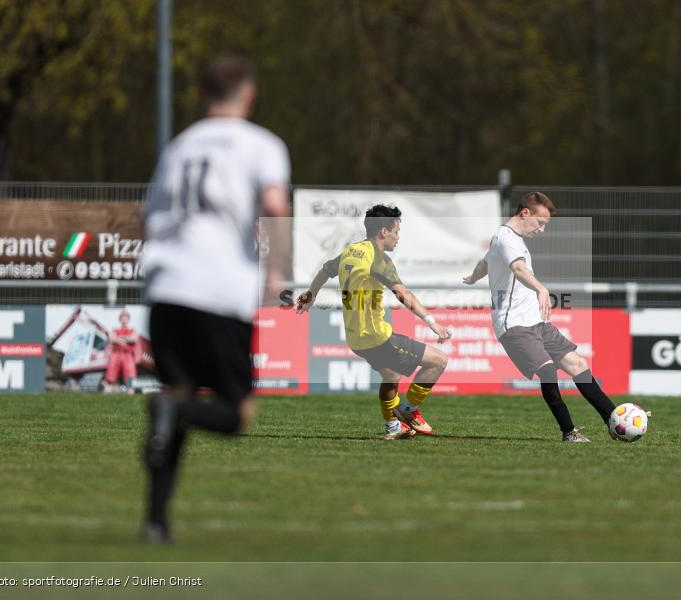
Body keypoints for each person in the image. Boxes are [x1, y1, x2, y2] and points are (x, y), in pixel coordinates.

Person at [140, 55, 291, 542]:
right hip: (218, 287)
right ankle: (173, 413)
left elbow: (150, 213)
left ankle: (156, 522)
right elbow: (274, 206)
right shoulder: (262, 144)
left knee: (176, 393)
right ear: (249, 95)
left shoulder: (178, 146)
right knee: (237, 413)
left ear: (203, 94)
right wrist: (278, 270)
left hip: (166, 287)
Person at [462, 191, 618, 442]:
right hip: (514, 325)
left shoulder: (503, 238)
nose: (542, 230)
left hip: (537, 322)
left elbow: (485, 262)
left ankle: (614, 420)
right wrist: (541, 289)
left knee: (578, 365)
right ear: (525, 213)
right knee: (548, 371)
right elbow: (518, 268)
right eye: (541, 223)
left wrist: (472, 277)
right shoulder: (507, 238)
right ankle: (569, 432)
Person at [296, 205, 451, 440]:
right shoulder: (379, 259)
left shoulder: (351, 250)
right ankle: (407, 409)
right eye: (396, 231)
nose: (398, 237)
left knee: (391, 376)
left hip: (355, 339)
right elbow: (403, 295)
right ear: (383, 231)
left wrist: (311, 294)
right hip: (377, 337)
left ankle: (393, 428)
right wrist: (432, 322)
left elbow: (325, 270)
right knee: (439, 361)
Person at [103, 309, 137, 394]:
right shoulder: (115, 329)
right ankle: (107, 392)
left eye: (126, 317)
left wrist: (120, 338)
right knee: (111, 373)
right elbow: (112, 339)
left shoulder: (133, 330)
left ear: (128, 319)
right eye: (122, 317)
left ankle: (130, 393)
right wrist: (126, 339)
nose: (124, 319)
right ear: (120, 319)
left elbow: (134, 339)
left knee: (130, 374)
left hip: (127, 354)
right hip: (116, 353)